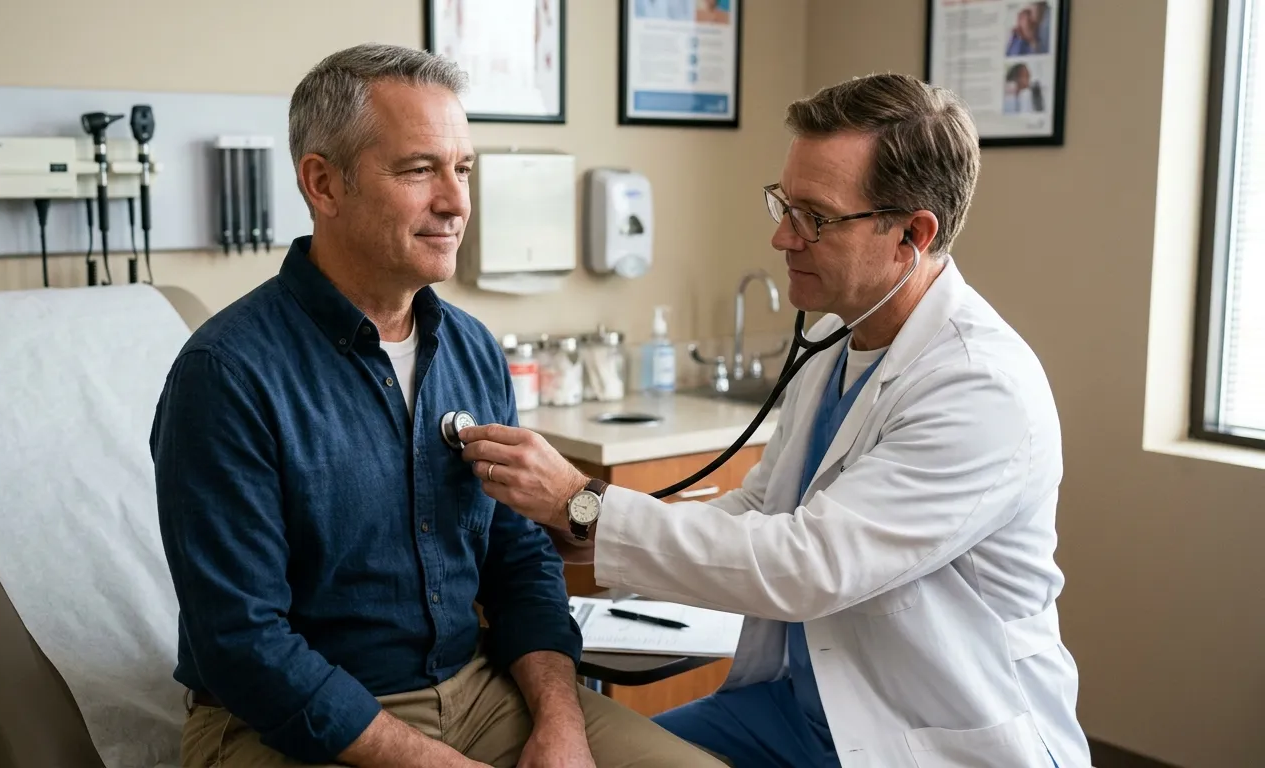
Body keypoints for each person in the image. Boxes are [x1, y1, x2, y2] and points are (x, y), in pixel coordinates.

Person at [458, 73, 1091, 768]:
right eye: (784, 205)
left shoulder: (980, 388)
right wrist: (579, 533)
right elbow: (759, 510)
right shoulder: (838, 349)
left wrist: (582, 502)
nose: (781, 237)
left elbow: (806, 566)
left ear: (912, 233)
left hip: (923, 731)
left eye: (814, 217)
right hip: (794, 709)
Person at [149, 43, 722, 768]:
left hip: (479, 692)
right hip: (283, 723)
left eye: (463, 169)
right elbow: (244, 642)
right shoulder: (227, 374)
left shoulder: (473, 351)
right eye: (420, 170)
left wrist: (561, 723)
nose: (455, 202)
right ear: (323, 184)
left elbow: (521, 564)